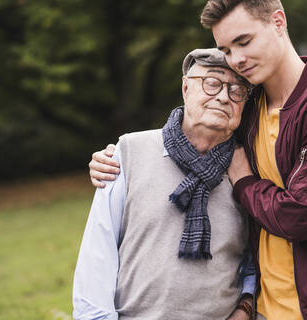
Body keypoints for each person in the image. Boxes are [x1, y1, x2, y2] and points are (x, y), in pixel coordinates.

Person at [89, 1, 307, 319]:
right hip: (267, 305)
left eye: (244, 42)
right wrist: (118, 156)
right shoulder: (250, 102)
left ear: (278, 22)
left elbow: (300, 215)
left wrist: (244, 180)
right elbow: (196, 126)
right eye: (226, 49)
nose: (237, 59)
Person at [73, 48, 257, 320]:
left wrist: (245, 309)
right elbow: (97, 256)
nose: (222, 96)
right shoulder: (127, 153)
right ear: (185, 87)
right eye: (212, 83)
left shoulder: (248, 170)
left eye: (237, 90)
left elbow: (257, 259)